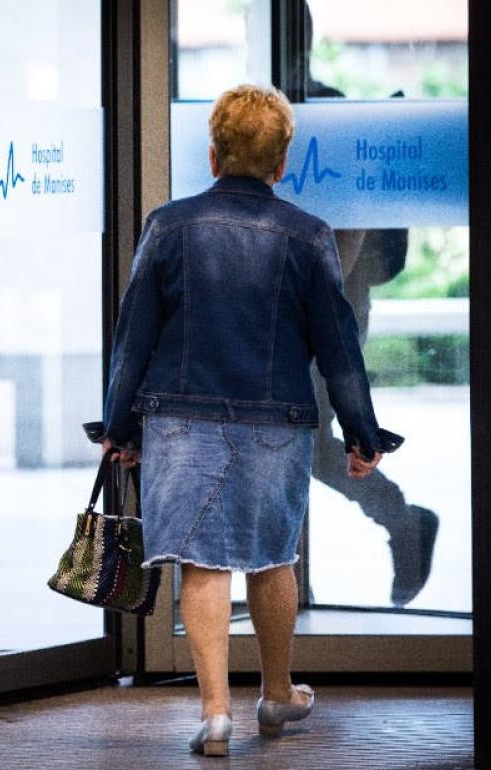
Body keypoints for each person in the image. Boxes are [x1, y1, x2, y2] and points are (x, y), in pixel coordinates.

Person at [102, 85, 403, 756]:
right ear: (283, 161)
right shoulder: (308, 235)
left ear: (213, 155)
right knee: (272, 558)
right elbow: (338, 347)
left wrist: (119, 427)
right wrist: (362, 432)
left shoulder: (167, 227)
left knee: (202, 564)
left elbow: (134, 341)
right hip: (277, 420)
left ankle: (214, 714)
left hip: (179, 419)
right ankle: (275, 693)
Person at [287, 0, 440, 607]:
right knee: (308, 444)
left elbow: (350, 236)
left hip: (329, 310)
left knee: (306, 442)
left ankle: (394, 525)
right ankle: (391, 527)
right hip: (330, 307)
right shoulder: (318, 106)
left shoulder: (319, 112)